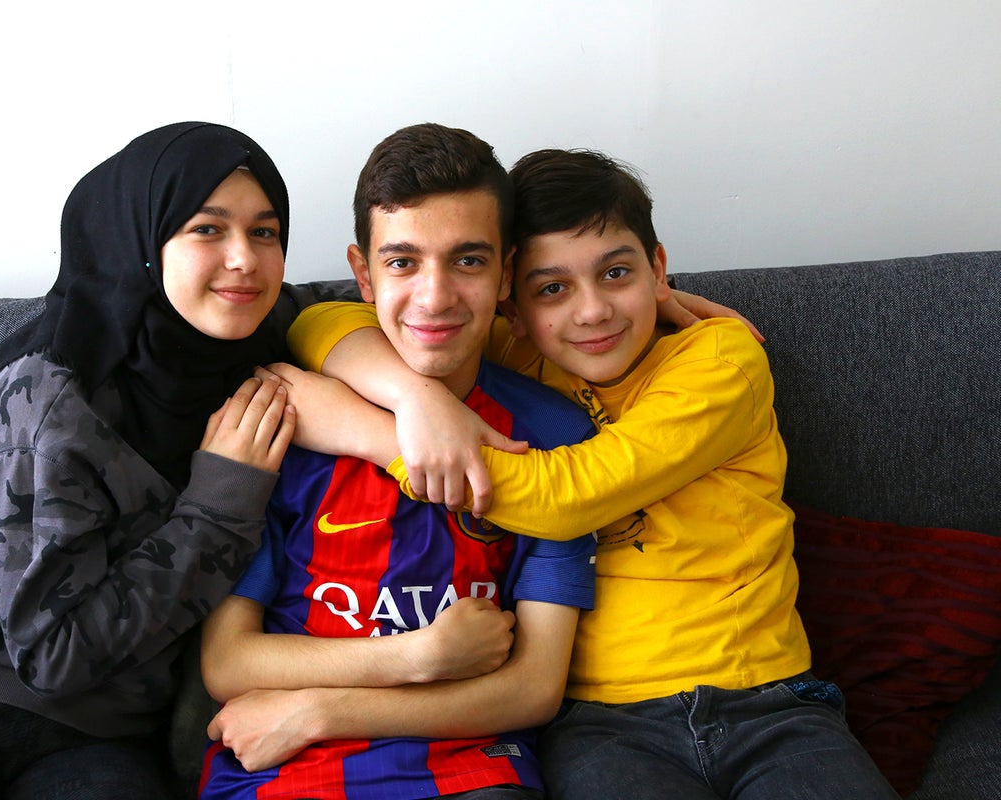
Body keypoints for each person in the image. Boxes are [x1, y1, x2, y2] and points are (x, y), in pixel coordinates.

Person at [284, 147, 901, 798]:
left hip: (767, 702)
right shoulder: (517, 349)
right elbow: (318, 318)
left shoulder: (720, 359)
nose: (591, 312)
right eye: (553, 287)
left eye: (616, 274)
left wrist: (388, 440)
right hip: (602, 723)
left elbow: (567, 498)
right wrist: (417, 400)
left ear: (658, 267)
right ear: (512, 302)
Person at [0, 122, 301, 800]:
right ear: (140, 243)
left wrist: (424, 412)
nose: (244, 257)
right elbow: (53, 655)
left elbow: (350, 331)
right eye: (207, 230)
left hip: (103, 732)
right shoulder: (45, 395)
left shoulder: (254, 364)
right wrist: (218, 507)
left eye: (265, 232)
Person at [197, 123, 597, 800]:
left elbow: (533, 688)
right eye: (403, 263)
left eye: (468, 261)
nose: (435, 297)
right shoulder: (283, 417)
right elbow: (227, 661)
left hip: (469, 770)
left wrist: (325, 708)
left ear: (506, 272)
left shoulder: (553, 430)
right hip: (278, 769)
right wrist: (419, 657)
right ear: (363, 273)